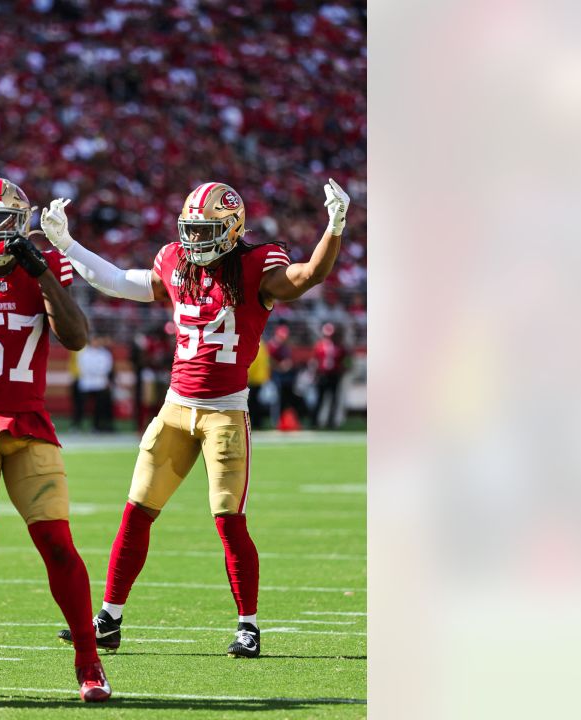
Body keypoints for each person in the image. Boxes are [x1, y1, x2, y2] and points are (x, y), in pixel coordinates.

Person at [42, 178, 350, 658]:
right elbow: (120, 282)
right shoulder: (176, 262)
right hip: (175, 408)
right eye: (192, 230)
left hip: (225, 414)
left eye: (207, 231)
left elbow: (307, 276)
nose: (196, 241)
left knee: (229, 518)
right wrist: (67, 244)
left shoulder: (257, 265)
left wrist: (334, 227)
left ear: (232, 230)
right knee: (136, 510)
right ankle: (110, 618)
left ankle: (248, 625)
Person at [0, 178, 110, 702]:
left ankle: (90, 664)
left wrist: (41, 269)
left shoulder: (42, 268)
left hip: (27, 423)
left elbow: (75, 336)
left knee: (58, 545)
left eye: (5, 221)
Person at [311, 322, 347, 429]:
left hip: (334, 374)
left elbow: (346, 360)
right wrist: (315, 373)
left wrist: (344, 369)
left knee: (334, 399)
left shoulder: (339, 346)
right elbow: (315, 360)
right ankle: (315, 422)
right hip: (322, 374)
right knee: (320, 399)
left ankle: (331, 422)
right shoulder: (319, 345)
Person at [77, 337, 115, 433]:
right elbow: (83, 367)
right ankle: (78, 425)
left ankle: (98, 425)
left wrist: (97, 372)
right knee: (81, 406)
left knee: (100, 406)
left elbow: (107, 367)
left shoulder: (105, 354)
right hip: (87, 383)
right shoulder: (84, 353)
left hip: (100, 383)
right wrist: (95, 371)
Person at [247, 340, 271, 430]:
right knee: (255, 402)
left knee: (253, 403)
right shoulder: (262, 345)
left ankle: (255, 422)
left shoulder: (256, 344)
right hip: (259, 379)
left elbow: (254, 363)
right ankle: (257, 422)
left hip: (254, 379)